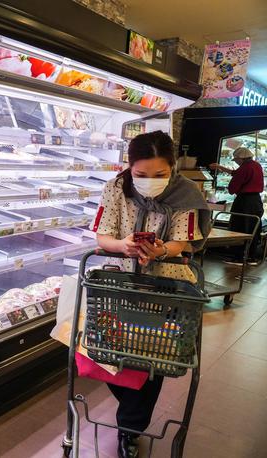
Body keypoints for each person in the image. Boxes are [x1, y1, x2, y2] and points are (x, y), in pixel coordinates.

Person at [90, 131, 211, 458]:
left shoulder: (187, 193)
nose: (149, 182)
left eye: (160, 175)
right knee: (103, 349)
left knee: (151, 359)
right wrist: (123, 245)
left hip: (166, 287)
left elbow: (183, 242)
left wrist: (160, 251)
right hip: (118, 284)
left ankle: (129, 429)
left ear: (173, 167)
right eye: (141, 175)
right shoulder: (115, 188)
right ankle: (132, 417)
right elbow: (104, 237)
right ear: (129, 167)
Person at [210, 147, 264, 264]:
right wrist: (220, 167)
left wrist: (230, 189)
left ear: (241, 158)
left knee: (240, 228)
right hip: (256, 201)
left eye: (236, 160)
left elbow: (233, 187)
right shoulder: (256, 165)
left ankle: (239, 257)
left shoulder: (245, 167)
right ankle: (251, 257)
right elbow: (235, 173)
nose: (236, 162)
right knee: (252, 229)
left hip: (245, 202)